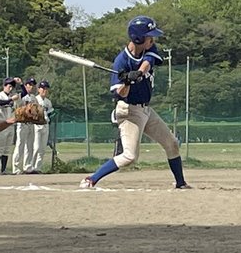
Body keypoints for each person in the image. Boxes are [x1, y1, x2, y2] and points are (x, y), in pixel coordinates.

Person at [80, 15, 190, 189]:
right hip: (129, 111)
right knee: (130, 157)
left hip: (145, 109)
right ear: (138, 38)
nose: (152, 40)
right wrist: (127, 82)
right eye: (149, 36)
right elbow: (120, 94)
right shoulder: (121, 62)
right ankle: (91, 179)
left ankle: (181, 183)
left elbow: (148, 63)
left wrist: (137, 73)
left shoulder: (149, 49)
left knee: (172, 143)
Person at [0, 77, 19, 175]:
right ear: (4, 86)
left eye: (12, 87)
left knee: (7, 149)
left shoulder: (12, 96)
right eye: (9, 86)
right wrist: (11, 99)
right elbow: (0, 103)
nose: (10, 89)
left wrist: (20, 83)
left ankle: (3, 169)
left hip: (10, 125)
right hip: (1, 124)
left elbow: (23, 94)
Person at [11, 77, 39, 174]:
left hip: (31, 123)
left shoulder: (34, 98)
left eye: (33, 85)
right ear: (26, 85)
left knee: (30, 146)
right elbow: (18, 104)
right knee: (20, 145)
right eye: (30, 84)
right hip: (22, 123)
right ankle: (16, 168)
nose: (32, 86)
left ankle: (27, 166)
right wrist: (20, 84)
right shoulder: (21, 95)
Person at [32, 80, 53, 173]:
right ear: (39, 89)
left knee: (42, 148)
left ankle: (38, 168)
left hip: (45, 125)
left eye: (46, 88)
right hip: (36, 125)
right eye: (43, 88)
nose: (45, 90)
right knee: (36, 147)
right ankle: (31, 167)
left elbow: (50, 113)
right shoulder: (35, 99)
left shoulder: (48, 102)